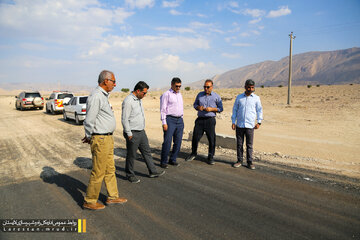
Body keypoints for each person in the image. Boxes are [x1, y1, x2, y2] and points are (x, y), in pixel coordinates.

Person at [82, 70, 127, 210]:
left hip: (107, 137)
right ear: (105, 81)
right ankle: (89, 200)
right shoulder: (96, 96)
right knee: (99, 170)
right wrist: (90, 135)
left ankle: (112, 197)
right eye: (113, 81)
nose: (115, 84)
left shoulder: (103, 96)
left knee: (110, 169)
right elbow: (89, 119)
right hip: (100, 138)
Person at [122, 81, 165, 183]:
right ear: (138, 91)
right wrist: (128, 133)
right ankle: (130, 175)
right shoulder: (128, 101)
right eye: (144, 93)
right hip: (132, 133)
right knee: (131, 155)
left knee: (147, 152)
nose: (145, 95)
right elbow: (124, 119)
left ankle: (153, 171)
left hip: (141, 131)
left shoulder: (138, 99)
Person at [185, 79, 223, 165]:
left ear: (212, 87)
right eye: (204, 87)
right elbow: (195, 105)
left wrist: (212, 109)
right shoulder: (199, 95)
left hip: (210, 120)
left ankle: (210, 156)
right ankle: (193, 153)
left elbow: (221, 108)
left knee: (211, 139)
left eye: (208, 87)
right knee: (195, 137)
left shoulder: (216, 96)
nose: (206, 88)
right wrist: (198, 107)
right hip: (200, 120)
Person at [231, 79, 263, 170]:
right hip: (239, 125)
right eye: (249, 87)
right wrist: (233, 122)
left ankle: (250, 162)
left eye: (252, 87)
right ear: (245, 87)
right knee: (239, 144)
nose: (250, 89)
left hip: (250, 126)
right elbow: (235, 110)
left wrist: (259, 122)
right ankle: (239, 161)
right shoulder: (239, 97)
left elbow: (259, 110)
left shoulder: (256, 98)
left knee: (249, 145)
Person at [160, 77, 184, 169]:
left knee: (178, 141)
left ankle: (173, 159)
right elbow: (163, 109)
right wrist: (164, 122)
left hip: (179, 120)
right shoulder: (167, 94)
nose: (178, 88)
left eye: (180, 86)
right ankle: (163, 161)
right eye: (177, 86)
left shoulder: (179, 95)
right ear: (172, 84)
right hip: (170, 120)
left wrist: (181, 118)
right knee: (167, 141)